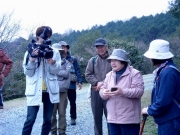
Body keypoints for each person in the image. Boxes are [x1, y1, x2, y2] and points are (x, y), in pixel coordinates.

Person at [22, 26, 61, 135]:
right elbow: (27, 73)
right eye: (44, 36)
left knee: (48, 120)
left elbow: (57, 71)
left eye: (48, 36)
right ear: (38, 36)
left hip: (49, 90)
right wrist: (32, 60)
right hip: (34, 89)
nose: (46, 38)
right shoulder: (30, 51)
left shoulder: (54, 52)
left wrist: (52, 63)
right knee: (30, 119)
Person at [99, 49, 144, 135]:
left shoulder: (135, 74)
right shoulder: (109, 75)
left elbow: (139, 91)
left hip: (129, 119)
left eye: (116, 60)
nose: (113, 63)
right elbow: (102, 90)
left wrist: (122, 91)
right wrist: (104, 92)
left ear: (123, 61)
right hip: (112, 119)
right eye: (111, 60)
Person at [141, 39, 180, 135]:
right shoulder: (165, 70)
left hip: (171, 121)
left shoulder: (167, 73)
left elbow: (163, 102)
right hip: (168, 119)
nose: (150, 59)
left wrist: (149, 110)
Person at [85, 38, 112, 135]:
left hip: (109, 92)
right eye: (98, 47)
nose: (100, 49)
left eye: (102, 46)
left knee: (111, 118)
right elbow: (87, 75)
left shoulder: (113, 59)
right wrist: (96, 82)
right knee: (97, 118)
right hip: (95, 92)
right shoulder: (92, 60)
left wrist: (104, 83)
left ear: (106, 46)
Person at [59, 41, 83, 125]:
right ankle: (62, 119)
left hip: (71, 84)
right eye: (61, 47)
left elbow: (77, 70)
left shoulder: (73, 59)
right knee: (62, 103)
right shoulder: (57, 59)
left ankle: (73, 118)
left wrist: (79, 81)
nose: (63, 48)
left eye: (65, 47)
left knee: (72, 102)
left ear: (67, 48)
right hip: (61, 85)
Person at [51, 43, 71, 135]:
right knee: (52, 113)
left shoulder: (67, 63)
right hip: (51, 91)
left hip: (63, 91)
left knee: (62, 113)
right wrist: (60, 74)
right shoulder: (49, 63)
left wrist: (55, 71)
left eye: (58, 52)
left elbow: (67, 74)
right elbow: (49, 74)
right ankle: (53, 130)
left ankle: (62, 131)